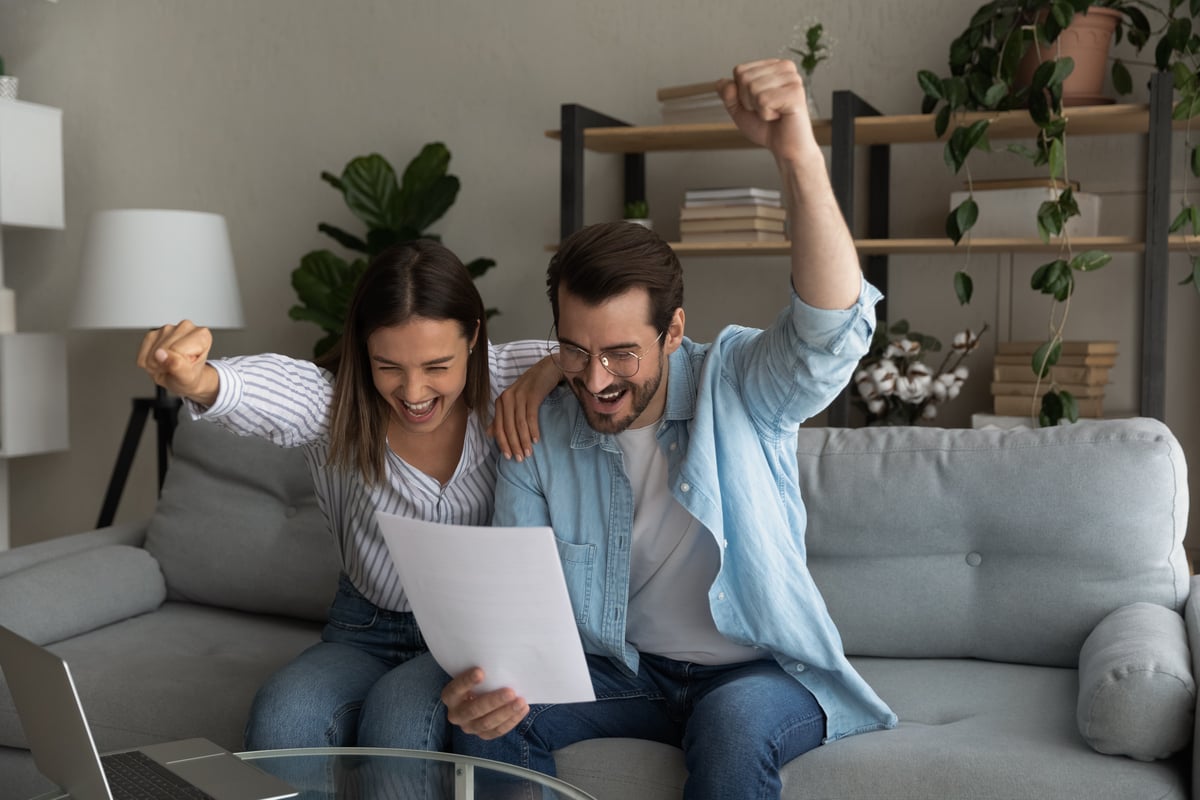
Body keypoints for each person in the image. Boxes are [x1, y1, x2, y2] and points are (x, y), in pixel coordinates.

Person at [440, 58, 898, 798]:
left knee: (735, 728)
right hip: (622, 670)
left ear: (675, 330)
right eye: (574, 351)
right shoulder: (537, 429)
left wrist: (797, 154)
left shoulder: (740, 383)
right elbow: (517, 608)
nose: (595, 381)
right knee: (484, 724)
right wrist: (489, 684)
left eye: (622, 352)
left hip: (755, 672)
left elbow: (830, 333)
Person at [138, 239, 559, 755]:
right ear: (363, 348)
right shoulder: (331, 404)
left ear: (473, 337)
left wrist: (553, 368)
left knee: (401, 723)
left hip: (474, 636)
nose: (413, 392)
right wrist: (198, 378)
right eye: (389, 366)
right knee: (283, 715)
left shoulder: (509, 376)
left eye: (435, 366)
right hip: (367, 629)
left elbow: (604, 353)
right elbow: (264, 390)